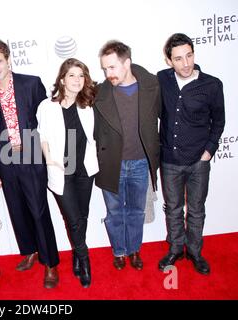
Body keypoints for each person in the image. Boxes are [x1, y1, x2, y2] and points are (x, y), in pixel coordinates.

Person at [0, 39, 60, 289]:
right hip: (4, 160)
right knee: (17, 210)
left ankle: (50, 263)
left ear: (8, 59)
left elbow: (45, 122)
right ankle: (30, 250)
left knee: (38, 210)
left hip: (31, 156)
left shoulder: (31, 83)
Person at [157, 33, 225, 275]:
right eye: (178, 59)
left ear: (194, 54)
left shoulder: (212, 85)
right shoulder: (162, 80)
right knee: (173, 208)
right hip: (170, 161)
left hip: (199, 161)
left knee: (196, 209)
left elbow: (219, 122)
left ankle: (195, 251)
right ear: (168, 61)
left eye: (189, 56)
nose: (185, 63)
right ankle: (176, 248)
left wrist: (209, 151)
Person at [94, 40, 161, 271]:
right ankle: (119, 251)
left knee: (136, 211)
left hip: (141, 162)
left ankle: (134, 250)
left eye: (112, 67)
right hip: (112, 164)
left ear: (127, 63)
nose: (107, 73)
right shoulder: (98, 94)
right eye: (104, 69)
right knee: (114, 212)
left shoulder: (151, 85)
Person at [36, 58, 98, 288]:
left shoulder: (88, 104)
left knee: (82, 217)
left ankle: (76, 253)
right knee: (73, 220)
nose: (77, 80)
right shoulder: (47, 106)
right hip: (61, 171)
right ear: (62, 79)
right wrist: (50, 159)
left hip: (85, 169)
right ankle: (84, 260)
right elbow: (41, 136)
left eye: (81, 76)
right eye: (72, 75)